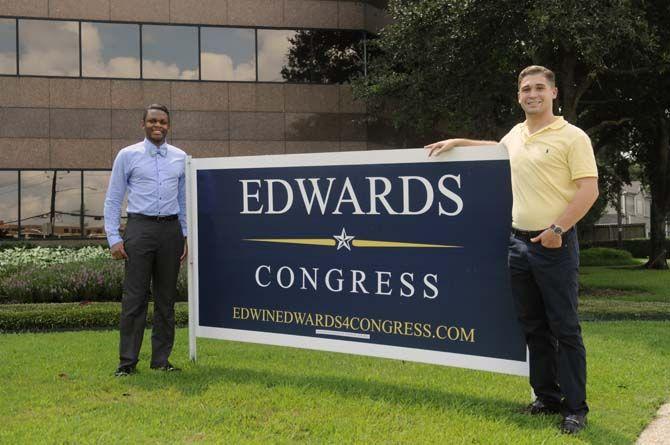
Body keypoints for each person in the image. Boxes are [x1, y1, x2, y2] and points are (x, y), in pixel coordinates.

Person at [425, 66, 599, 434]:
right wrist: (458, 142)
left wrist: (557, 229)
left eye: (539, 88)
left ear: (553, 94)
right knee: (534, 327)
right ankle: (547, 398)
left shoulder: (572, 137)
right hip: (518, 243)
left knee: (564, 327)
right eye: (525, 89)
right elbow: (497, 150)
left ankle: (575, 408)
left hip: (554, 243)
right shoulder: (517, 134)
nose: (531, 94)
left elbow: (588, 190)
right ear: (519, 96)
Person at [104, 103, 188, 377]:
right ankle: (127, 363)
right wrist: (113, 237)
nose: (157, 126)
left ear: (168, 126)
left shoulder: (180, 157)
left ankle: (161, 361)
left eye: (162, 121)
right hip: (139, 229)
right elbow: (114, 197)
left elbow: (184, 201)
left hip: (170, 231)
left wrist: (185, 235)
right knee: (134, 299)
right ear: (143, 124)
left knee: (166, 300)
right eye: (152, 121)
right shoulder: (127, 156)